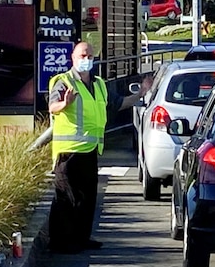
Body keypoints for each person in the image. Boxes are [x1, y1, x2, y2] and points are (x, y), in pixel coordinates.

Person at [47, 42, 152, 254]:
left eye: (90, 55)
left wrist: (141, 94)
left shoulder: (99, 85)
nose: (86, 59)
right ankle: (61, 243)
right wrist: (64, 104)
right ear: (73, 58)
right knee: (66, 198)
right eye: (82, 55)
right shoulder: (64, 82)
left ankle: (82, 238)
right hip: (68, 151)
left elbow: (118, 103)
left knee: (87, 198)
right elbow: (52, 106)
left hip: (91, 149)